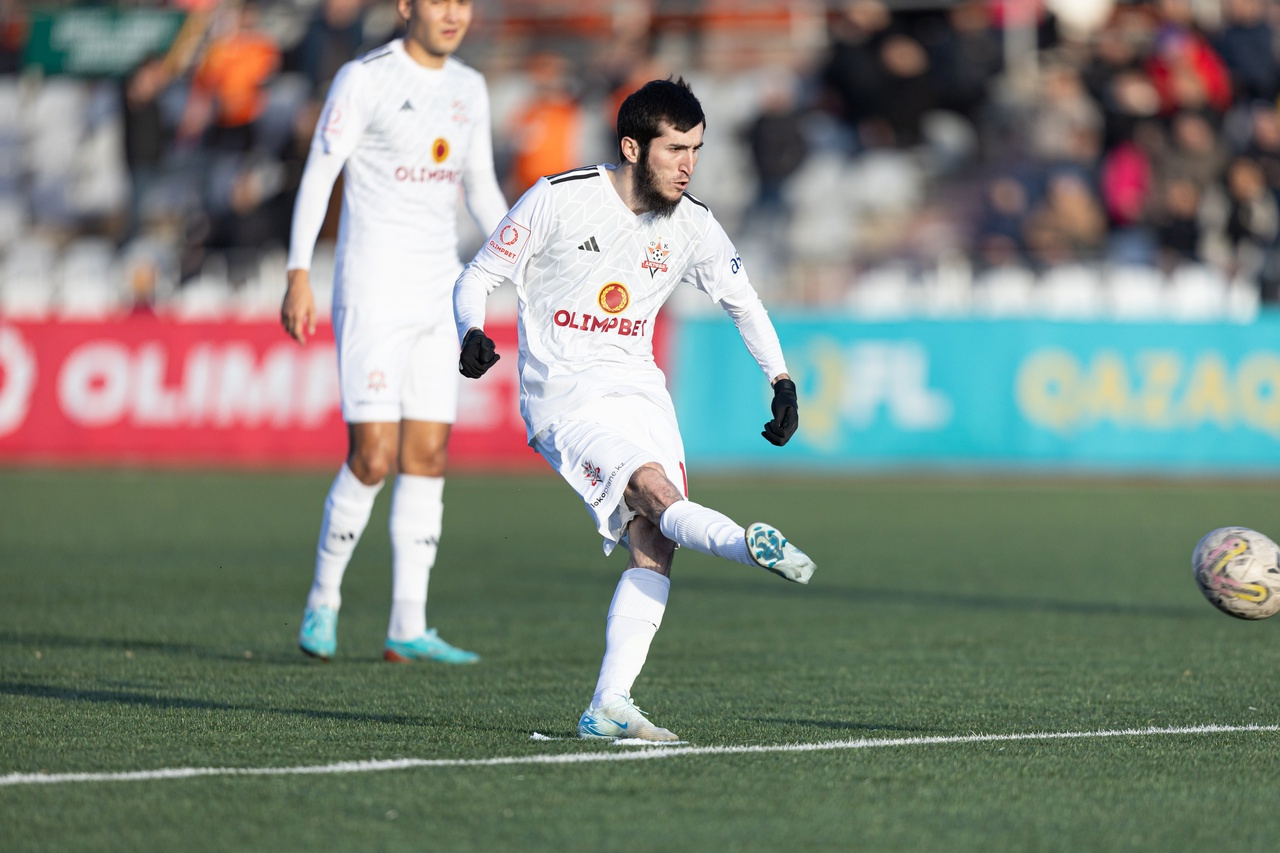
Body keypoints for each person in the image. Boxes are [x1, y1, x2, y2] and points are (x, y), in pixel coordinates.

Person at [453, 78, 816, 742]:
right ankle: (745, 545)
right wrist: (471, 331)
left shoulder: (693, 223)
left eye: (696, 149)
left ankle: (609, 703)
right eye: (675, 149)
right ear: (631, 147)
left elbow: (744, 302)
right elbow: (478, 274)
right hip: (565, 397)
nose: (688, 164)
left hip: (641, 393)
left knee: (656, 541)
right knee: (651, 491)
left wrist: (782, 380)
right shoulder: (558, 198)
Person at [280, 0, 507, 665]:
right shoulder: (365, 78)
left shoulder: (470, 87)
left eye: (463, 2)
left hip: (442, 292)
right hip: (373, 288)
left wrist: (517, 255)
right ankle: (324, 598)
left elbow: (481, 186)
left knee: (428, 455)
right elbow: (320, 173)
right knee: (373, 456)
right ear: (407, 6)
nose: (453, 14)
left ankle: (409, 623)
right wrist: (298, 273)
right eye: (438, 1)